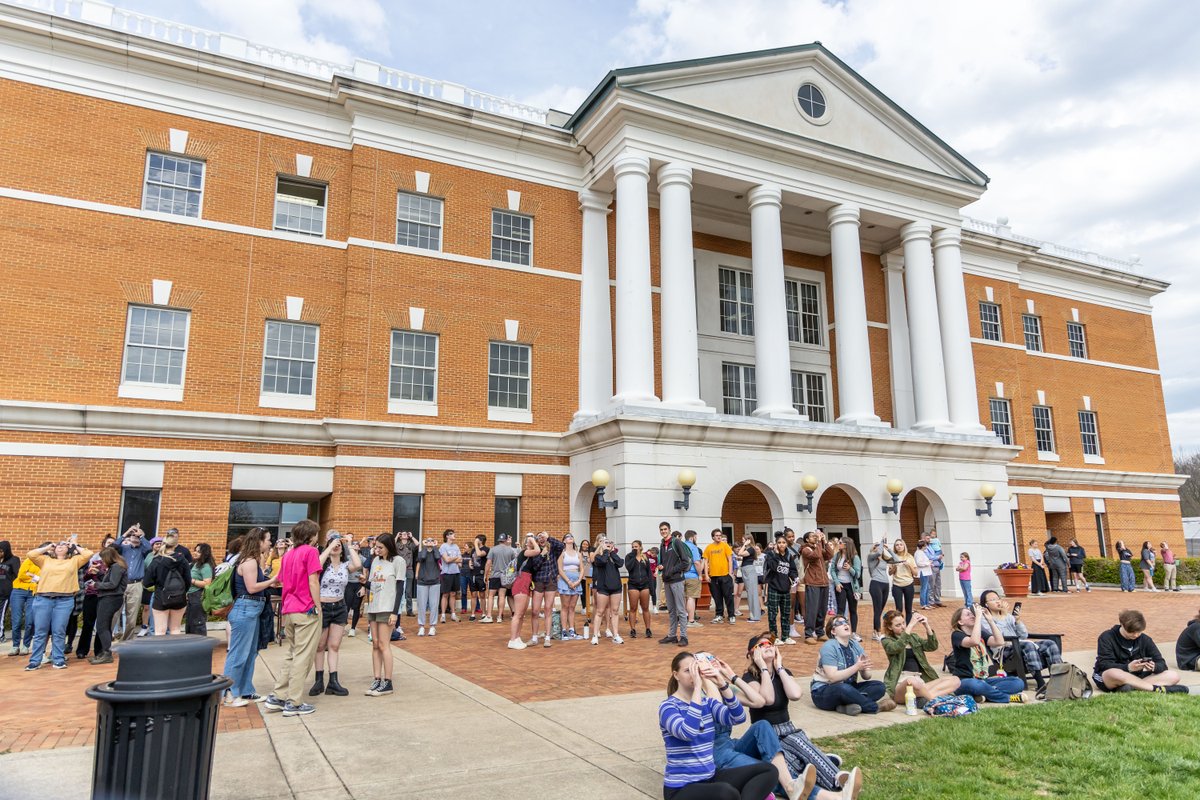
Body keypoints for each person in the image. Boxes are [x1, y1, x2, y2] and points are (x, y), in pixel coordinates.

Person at [743, 633, 863, 799]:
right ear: (752, 654)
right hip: (767, 735)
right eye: (761, 645)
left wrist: (779, 667)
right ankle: (817, 766)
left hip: (789, 729)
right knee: (789, 761)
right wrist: (763, 667)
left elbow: (795, 694)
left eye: (770, 643)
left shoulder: (783, 672)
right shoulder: (750, 677)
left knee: (798, 740)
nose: (768, 645)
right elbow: (767, 699)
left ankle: (839, 781)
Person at [658, 651, 776, 800]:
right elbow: (688, 732)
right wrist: (697, 689)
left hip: (710, 777)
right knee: (726, 793)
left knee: (768, 770)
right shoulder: (668, 707)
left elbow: (738, 717)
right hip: (681, 788)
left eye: (696, 669)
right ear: (676, 675)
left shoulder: (708, 703)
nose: (694, 675)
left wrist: (723, 684)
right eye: (688, 671)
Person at [264, 519, 323, 717]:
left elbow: (280, 580)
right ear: (310, 535)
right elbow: (313, 580)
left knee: (292, 653)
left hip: (289, 608)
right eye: (315, 533)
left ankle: (278, 696)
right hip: (306, 609)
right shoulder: (311, 551)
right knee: (303, 656)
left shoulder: (288, 555)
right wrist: (317, 605)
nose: (317, 537)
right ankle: (294, 702)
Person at [221, 529, 277, 706]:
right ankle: (229, 694)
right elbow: (252, 587)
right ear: (259, 541)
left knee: (250, 652)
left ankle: (245, 690)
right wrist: (273, 580)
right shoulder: (250, 561)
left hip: (251, 609)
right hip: (246, 608)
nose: (270, 543)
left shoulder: (252, 560)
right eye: (268, 540)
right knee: (239, 653)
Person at [24, 537, 93, 671]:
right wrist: (47, 547)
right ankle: (35, 661)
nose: (60, 546)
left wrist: (74, 545)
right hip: (43, 599)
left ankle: (58, 659)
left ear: (68, 550)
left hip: (64, 600)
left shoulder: (74, 561)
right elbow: (31, 554)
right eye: (58, 545)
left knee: (59, 631)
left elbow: (88, 554)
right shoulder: (45, 560)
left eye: (63, 545)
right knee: (40, 632)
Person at [308, 531, 361, 698]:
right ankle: (318, 680)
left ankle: (333, 681)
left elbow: (358, 564)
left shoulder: (346, 565)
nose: (336, 547)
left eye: (339, 545)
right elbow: (316, 562)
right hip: (322, 606)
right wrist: (330, 545)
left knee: (334, 646)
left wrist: (350, 544)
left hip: (339, 607)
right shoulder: (322, 565)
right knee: (320, 646)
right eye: (333, 544)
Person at [978, 589, 1061, 693]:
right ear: (986, 604)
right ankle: (1040, 683)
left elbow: (1023, 635)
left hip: (1019, 646)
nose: (997, 601)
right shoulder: (984, 620)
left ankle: (1059, 679)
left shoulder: (1008, 616)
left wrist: (1017, 620)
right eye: (993, 600)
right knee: (1028, 646)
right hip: (1003, 651)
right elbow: (998, 639)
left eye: (998, 598)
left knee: (1050, 644)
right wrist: (1003, 618)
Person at [946, 605, 1027, 703]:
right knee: (976, 685)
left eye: (973, 614)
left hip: (983, 680)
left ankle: (983, 695)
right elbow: (974, 641)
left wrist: (990, 621)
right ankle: (1007, 698)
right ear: (960, 622)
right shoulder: (957, 635)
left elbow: (999, 641)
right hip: (963, 681)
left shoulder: (981, 634)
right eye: (968, 615)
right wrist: (979, 618)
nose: (972, 616)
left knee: (1018, 682)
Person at [810, 616, 888, 715]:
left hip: (850, 688)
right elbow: (833, 677)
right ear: (833, 631)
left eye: (846, 622)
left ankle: (845, 706)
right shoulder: (829, 647)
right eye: (840, 623)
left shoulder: (855, 645)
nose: (845, 624)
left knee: (879, 686)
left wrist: (864, 668)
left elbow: (867, 677)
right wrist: (856, 667)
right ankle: (875, 707)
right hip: (823, 691)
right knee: (843, 688)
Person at [880, 610, 960, 707]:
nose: (903, 627)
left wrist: (926, 625)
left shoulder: (913, 637)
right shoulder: (887, 641)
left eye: (904, 623)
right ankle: (935, 701)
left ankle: (922, 698)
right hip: (902, 683)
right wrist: (910, 625)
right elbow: (897, 647)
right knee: (912, 681)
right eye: (898, 625)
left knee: (955, 680)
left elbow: (932, 646)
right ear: (889, 627)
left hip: (920, 681)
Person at [1093, 609, 1183, 692]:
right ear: (1122, 624)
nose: (1136, 635)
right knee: (1114, 673)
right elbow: (1104, 665)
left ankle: (1131, 687)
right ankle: (1155, 689)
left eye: (1139, 632)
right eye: (1132, 632)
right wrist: (1128, 668)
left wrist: (1154, 667)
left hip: (1137, 677)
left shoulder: (1145, 639)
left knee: (1173, 675)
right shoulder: (1107, 637)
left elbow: (1162, 664)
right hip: (1110, 677)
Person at [363, 533, 403, 696]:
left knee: (384, 645)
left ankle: (388, 682)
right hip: (374, 606)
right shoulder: (375, 561)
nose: (377, 550)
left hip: (387, 607)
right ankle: (377, 678)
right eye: (376, 547)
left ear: (389, 546)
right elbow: (373, 584)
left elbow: (400, 588)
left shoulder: (397, 561)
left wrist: (395, 612)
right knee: (375, 644)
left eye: (380, 547)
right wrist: (363, 582)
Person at [144, 529, 192, 636]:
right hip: (179, 597)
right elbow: (188, 580)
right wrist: (182, 591)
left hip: (161, 596)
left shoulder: (157, 560)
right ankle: (175, 653)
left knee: (160, 631)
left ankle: (160, 652)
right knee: (175, 629)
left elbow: (147, 582)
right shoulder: (182, 559)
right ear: (175, 545)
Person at [90, 548, 128, 665]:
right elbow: (111, 581)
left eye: (103, 558)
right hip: (110, 598)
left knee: (102, 627)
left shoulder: (116, 567)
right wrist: (100, 574)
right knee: (104, 626)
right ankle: (104, 652)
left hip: (110, 599)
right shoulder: (116, 566)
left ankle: (107, 653)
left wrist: (95, 584)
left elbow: (113, 584)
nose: (102, 561)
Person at [116, 525, 153, 640]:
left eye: (137, 535)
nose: (135, 536)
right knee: (115, 612)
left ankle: (127, 640)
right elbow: (113, 546)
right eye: (133, 535)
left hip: (136, 584)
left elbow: (149, 548)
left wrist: (141, 536)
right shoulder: (123, 548)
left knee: (131, 616)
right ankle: (113, 636)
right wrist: (126, 533)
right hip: (121, 584)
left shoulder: (143, 550)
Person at [506, 535, 541, 650]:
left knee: (521, 615)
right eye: (531, 541)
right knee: (518, 614)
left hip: (527, 582)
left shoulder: (529, 555)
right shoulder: (525, 552)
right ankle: (512, 640)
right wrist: (531, 540)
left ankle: (517, 637)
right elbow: (537, 550)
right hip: (521, 582)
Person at [529, 531, 564, 646]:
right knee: (535, 610)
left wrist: (549, 537)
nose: (541, 538)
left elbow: (561, 545)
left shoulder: (553, 549)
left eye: (543, 536)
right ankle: (534, 637)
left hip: (551, 581)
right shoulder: (536, 550)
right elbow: (535, 566)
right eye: (539, 537)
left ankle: (548, 637)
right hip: (538, 581)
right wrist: (542, 554)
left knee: (548, 609)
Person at [762, 536, 798, 645]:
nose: (781, 544)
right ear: (776, 544)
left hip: (785, 588)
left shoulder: (789, 556)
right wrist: (777, 555)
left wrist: (795, 577)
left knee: (786, 613)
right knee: (773, 614)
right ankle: (774, 637)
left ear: (786, 544)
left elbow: (792, 570)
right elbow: (773, 567)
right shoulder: (771, 555)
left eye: (783, 542)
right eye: (779, 542)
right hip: (774, 587)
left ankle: (786, 636)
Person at [800, 531, 834, 644]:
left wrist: (824, 541)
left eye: (816, 536)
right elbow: (816, 555)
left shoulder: (817, 547)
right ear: (807, 540)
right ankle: (808, 634)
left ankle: (820, 632)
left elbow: (829, 555)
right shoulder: (806, 549)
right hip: (813, 582)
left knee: (822, 609)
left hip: (824, 583)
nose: (815, 538)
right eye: (813, 537)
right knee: (812, 609)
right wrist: (819, 543)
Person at [660, 530, 692, 646]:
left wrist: (671, 571)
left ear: (669, 530)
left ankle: (684, 637)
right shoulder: (662, 544)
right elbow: (665, 562)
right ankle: (672, 635)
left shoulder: (676, 542)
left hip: (677, 580)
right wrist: (662, 567)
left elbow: (684, 562)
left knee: (681, 610)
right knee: (671, 610)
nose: (663, 531)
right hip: (667, 580)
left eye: (665, 529)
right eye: (661, 529)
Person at [591, 537, 624, 646]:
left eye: (610, 543)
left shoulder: (613, 556)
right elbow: (603, 561)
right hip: (603, 587)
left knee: (614, 611)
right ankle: (595, 635)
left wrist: (612, 552)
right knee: (600, 611)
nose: (608, 544)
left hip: (616, 587)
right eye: (606, 543)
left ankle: (615, 635)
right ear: (601, 545)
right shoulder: (598, 557)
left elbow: (620, 563)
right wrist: (605, 551)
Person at [75, 553, 106, 659]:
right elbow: (85, 578)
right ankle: (82, 650)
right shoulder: (95, 563)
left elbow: (111, 582)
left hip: (105, 597)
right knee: (87, 623)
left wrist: (100, 572)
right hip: (91, 595)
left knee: (102, 625)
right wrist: (89, 572)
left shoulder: (114, 565)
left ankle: (99, 650)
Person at [864, 541, 896, 642]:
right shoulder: (871, 557)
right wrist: (882, 542)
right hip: (875, 584)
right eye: (877, 547)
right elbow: (878, 553)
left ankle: (875, 632)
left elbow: (897, 560)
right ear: (874, 549)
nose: (879, 549)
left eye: (880, 547)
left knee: (880, 610)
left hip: (885, 585)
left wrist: (889, 549)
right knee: (877, 610)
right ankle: (878, 632)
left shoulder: (884, 559)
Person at [482, 532, 517, 623]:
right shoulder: (510, 551)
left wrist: (485, 575)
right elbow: (513, 565)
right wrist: (510, 575)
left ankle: (489, 616)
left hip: (495, 575)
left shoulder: (493, 549)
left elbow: (488, 563)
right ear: (505, 540)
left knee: (490, 596)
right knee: (502, 596)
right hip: (505, 577)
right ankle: (499, 617)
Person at [830, 539, 861, 642]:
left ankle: (853, 633)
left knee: (853, 610)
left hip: (852, 587)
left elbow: (857, 574)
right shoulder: (837, 555)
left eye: (840, 542)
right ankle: (839, 632)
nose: (839, 544)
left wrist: (850, 568)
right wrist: (837, 582)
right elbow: (832, 570)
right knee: (840, 610)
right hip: (841, 585)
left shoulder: (855, 557)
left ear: (846, 545)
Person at [704, 530, 736, 624]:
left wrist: (730, 573)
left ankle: (731, 616)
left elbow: (730, 559)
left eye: (720, 535)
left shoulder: (725, 545)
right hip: (713, 576)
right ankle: (719, 615)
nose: (719, 537)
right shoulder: (709, 547)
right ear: (713, 537)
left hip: (725, 575)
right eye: (716, 535)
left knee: (728, 597)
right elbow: (705, 561)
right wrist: (706, 574)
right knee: (717, 597)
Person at [557, 534, 584, 640]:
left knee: (572, 607)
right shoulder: (562, 553)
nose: (570, 537)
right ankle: (564, 630)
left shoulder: (578, 553)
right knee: (565, 606)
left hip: (576, 580)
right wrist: (568, 581)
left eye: (571, 536)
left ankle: (572, 629)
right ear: (564, 541)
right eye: (567, 537)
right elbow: (560, 569)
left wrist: (578, 581)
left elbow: (581, 568)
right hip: (565, 580)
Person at [626, 540, 654, 639]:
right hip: (633, 585)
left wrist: (651, 587)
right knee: (633, 608)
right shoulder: (629, 557)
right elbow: (629, 568)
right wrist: (633, 556)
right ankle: (633, 629)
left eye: (636, 546)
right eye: (633, 547)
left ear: (640, 547)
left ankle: (648, 629)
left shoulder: (645, 557)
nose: (634, 548)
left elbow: (649, 573)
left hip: (644, 585)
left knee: (645, 608)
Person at [414, 534, 442, 637]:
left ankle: (432, 626)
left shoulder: (436, 551)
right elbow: (422, 558)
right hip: (422, 581)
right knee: (421, 605)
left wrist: (434, 546)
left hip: (435, 581)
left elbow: (438, 557)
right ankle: (421, 626)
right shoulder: (422, 552)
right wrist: (425, 546)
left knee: (434, 605)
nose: (430, 542)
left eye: (432, 540)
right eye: (428, 540)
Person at [186, 543, 215, 636]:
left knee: (197, 623)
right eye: (195, 550)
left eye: (199, 551)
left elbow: (207, 583)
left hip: (198, 596)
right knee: (190, 623)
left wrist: (192, 581)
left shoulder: (205, 566)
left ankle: (200, 646)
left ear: (204, 553)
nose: (195, 553)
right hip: (192, 596)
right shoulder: (196, 564)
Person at [886, 540, 917, 623]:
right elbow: (890, 573)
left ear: (904, 546)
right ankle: (899, 627)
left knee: (908, 608)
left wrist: (909, 565)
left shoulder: (909, 557)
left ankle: (908, 629)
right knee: (898, 609)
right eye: (897, 545)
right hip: (897, 585)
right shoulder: (893, 558)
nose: (899, 546)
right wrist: (894, 567)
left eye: (901, 544)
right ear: (895, 547)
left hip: (908, 584)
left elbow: (916, 573)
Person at [437, 530, 462, 623]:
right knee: (445, 594)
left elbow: (460, 560)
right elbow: (446, 560)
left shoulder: (456, 546)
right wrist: (455, 558)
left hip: (456, 572)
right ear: (447, 536)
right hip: (446, 573)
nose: (454, 535)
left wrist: (453, 559)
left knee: (453, 594)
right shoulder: (443, 546)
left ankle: (453, 614)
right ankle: (443, 615)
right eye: (452, 534)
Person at [737, 537, 762, 623]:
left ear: (748, 540)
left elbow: (740, 553)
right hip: (747, 570)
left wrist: (745, 544)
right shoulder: (750, 549)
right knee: (750, 593)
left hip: (749, 570)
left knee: (752, 593)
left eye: (744, 539)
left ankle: (755, 616)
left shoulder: (751, 548)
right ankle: (754, 615)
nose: (742, 541)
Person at [0, 541, 20, 647]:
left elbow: (18, 575)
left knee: (1, 614)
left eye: (1, 551)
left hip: (6, 592)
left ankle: (1, 636)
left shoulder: (14, 560)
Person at [683, 531, 704, 628]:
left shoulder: (680, 546)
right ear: (692, 538)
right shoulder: (693, 547)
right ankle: (691, 620)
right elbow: (696, 562)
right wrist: (700, 574)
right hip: (692, 575)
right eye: (696, 537)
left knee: (683, 598)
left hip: (681, 576)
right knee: (691, 597)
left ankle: (682, 620)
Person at [394, 531, 418, 616]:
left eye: (406, 533)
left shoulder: (410, 544)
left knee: (408, 591)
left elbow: (418, 544)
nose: (404, 534)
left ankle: (409, 610)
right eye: (402, 533)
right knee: (398, 590)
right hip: (399, 569)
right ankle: (396, 609)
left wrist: (411, 536)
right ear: (400, 536)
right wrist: (397, 535)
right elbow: (391, 545)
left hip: (409, 569)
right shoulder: (397, 544)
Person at [466, 535, 489, 620]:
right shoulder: (473, 550)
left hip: (481, 574)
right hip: (473, 574)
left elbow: (479, 554)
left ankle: (483, 613)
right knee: (473, 594)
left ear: (481, 541)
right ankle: (472, 614)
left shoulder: (486, 549)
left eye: (477, 539)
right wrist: (469, 563)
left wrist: (476, 544)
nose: (475, 540)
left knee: (482, 595)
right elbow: (471, 558)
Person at [926, 530, 944, 607]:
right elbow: (929, 557)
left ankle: (937, 600)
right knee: (931, 585)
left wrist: (940, 556)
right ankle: (931, 601)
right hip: (932, 567)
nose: (929, 539)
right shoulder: (926, 548)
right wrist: (938, 557)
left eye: (929, 538)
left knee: (938, 584)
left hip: (938, 566)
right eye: (927, 538)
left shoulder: (934, 545)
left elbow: (939, 548)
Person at [914, 537, 933, 610]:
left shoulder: (921, 552)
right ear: (923, 546)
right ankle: (923, 604)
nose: (926, 546)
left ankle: (927, 603)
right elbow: (919, 563)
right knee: (924, 588)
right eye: (925, 545)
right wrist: (928, 563)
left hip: (925, 572)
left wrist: (928, 563)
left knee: (927, 588)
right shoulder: (919, 553)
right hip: (923, 572)